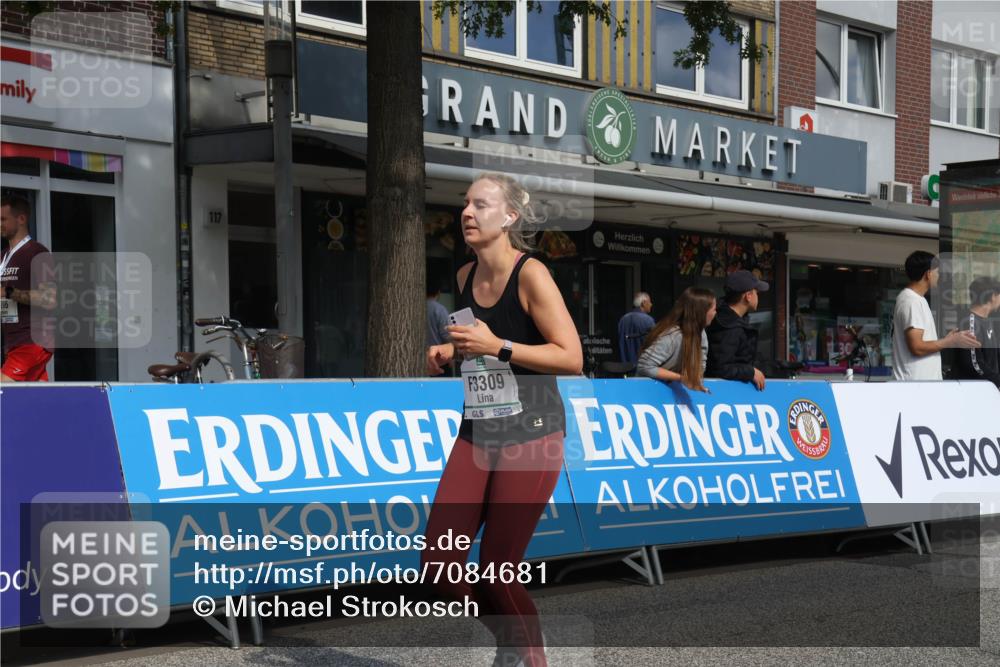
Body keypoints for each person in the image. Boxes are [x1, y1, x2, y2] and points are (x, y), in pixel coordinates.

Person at [425, 174, 581, 667]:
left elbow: (571, 357)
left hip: (532, 436)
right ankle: (511, 640)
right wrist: (456, 349)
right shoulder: (463, 277)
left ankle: (529, 658)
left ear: (509, 217)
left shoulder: (531, 274)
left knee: (497, 571)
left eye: (481, 204)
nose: (467, 212)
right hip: (478, 428)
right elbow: (485, 344)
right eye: (465, 203)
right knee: (440, 568)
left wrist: (498, 347)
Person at [892, 251, 978, 381]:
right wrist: (950, 341)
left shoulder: (917, 299)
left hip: (921, 385)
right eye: (937, 272)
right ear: (928, 274)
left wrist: (947, 340)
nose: (939, 276)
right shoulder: (911, 301)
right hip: (914, 386)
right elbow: (917, 347)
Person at [1, 195, 56, 382]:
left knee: (3, 391)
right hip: (13, 342)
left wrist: (9, 292)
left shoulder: (37, 252)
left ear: (21, 219)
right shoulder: (3, 257)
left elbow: (49, 299)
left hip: (32, 341)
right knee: (36, 402)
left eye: (3, 219)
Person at [636, 287, 716, 391]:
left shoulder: (701, 334)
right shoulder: (673, 335)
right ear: (702, 311)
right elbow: (644, 367)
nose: (715, 313)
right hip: (648, 392)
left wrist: (696, 382)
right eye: (714, 309)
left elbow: (700, 365)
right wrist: (681, 378)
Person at [706, 269, 768, 390]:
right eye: (757, 292)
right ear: (748, 296)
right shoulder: (729, 327)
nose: (758, 296)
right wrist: (750, 372)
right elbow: (721, 368)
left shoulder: (727, 318)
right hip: (724, 395)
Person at [953, 275, 1000, 388]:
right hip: (975, 391)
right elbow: (973, 363)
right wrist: (997, 380)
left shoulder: (987, 321)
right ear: (993, 296)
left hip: (989, 388)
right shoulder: (970, 322)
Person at [617, 292, 655, 365]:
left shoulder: (623, 319)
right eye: (649, 302)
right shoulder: (648, 320)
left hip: (625, 366)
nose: (651, 304)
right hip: (642, 366)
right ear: (643, 303)